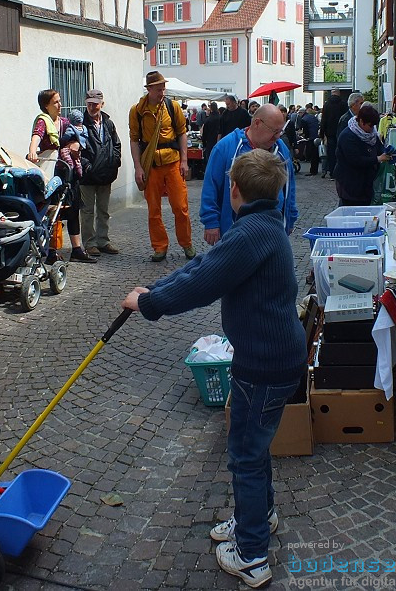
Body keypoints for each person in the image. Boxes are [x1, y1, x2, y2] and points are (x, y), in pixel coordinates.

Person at [122, 150, 305, 588]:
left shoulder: (251, 235)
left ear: (234, 191)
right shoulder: (262, 227)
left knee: (244, 453)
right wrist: (156, 288)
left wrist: (148, 303)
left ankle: (251, 556)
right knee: (254, 448)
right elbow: (205, 266)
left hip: (263, 365)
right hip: (274, 357)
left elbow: (202, 283)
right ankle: (257, 518)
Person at [201, 103, 298, 244]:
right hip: (234, 233)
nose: (277, 137)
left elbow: (290, 186)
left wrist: (290, 218)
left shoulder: (281, 149)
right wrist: (211, 223)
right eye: (274, 131)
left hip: (272, 231)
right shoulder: (226, 147)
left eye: (280, 132)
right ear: (257, 123)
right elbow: (211, 186)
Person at [129, 71, 194, 262]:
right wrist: (138, 167)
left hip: (173, 162)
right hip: (152, 165)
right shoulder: (137, 111)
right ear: (149, 89)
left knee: (180, 207)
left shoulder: (172, 107)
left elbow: (182, 133)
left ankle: (187, 244)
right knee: (153, 209)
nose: (162, 92)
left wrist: (184, 161)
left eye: (163, 88)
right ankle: (160, 247)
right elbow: (134, 140)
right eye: (158, 89)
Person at [27, 89, 95, 263]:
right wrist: (32, 151)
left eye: (60, 101)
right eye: (55, 102)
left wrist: (75, 145)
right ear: (45, 106)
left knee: (73, 210)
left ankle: (77, 249)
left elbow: (76, 138)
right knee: (53, 212)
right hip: (51, 175)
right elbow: (37, 136)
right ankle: (50, 250)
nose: (60, 105)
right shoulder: (44, 122)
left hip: (67, 172)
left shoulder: (64, 122)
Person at [80, 89, 122, 257]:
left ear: (101, 104)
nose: (92, 107)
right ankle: (89, 243)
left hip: (106, 173)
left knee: (103, 210)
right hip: (87, 175)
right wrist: (86, 166)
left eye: (95, 104)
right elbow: (73, 146)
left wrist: (114, 162)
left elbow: (116, 144)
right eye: (89, 104)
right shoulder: (80, 122)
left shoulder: (108, 123)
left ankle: (103, 241)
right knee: (87, 211)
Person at [333, 104, 392, 207]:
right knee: (351, 210)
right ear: (361, 121)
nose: (372, 128)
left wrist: (386, 152)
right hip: (350, 183)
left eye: (374, 126)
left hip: (366, 183)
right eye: (370, 125)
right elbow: (355, 160)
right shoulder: (347, 136)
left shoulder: (371, 134)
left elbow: (378, 146)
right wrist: (377, 159)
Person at [320, 89, 348, 178]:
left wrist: (322, 134)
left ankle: (332, 172)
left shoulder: (327, 104)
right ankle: (341, 171)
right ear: (339, 94)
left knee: (331, 153)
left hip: (330, 132)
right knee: (341, 152)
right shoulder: (343, 104)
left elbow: (323, 120)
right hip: (341, 132)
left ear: (331, 94)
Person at [297, 105, 320, 176]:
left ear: (302, 113)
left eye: (299, 113)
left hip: (311, 137)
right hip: (316, 136)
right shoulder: (312, 116)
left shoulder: (304, 119)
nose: (299, 115)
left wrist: (305, 136)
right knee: (315, 155)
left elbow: (305, 130)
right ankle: (315, 169)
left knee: (312, 154)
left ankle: (312, 171)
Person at [201, 102, 221, 169]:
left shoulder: (208, 120)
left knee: (210, 161)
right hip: (220, 141)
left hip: (210, 142)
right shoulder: (221, 118)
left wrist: (204, 144)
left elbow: (204, 133)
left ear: (211, 109)